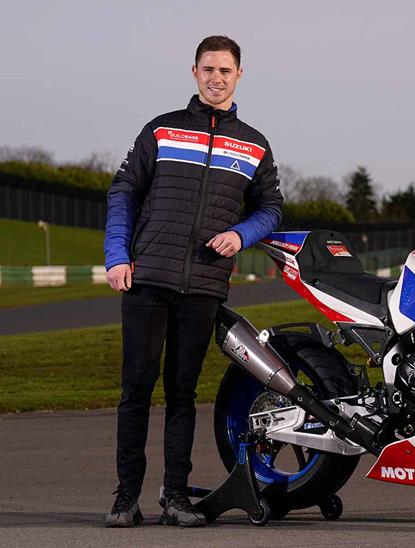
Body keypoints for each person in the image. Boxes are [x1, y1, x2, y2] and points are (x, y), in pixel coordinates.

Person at [103, 35, 283, 527]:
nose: (216, 78)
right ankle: (125, 499)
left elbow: (270, 209)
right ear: (194, 72)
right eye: (208, 69)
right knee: (135, 389)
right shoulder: (160, 131)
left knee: (182, 393)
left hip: (204, 285)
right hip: (147, 280)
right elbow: (124, 191)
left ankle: (176, 496)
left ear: (239, 75)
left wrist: (241, 234)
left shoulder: (253, 144)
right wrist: (117, 255)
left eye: (225, 70)